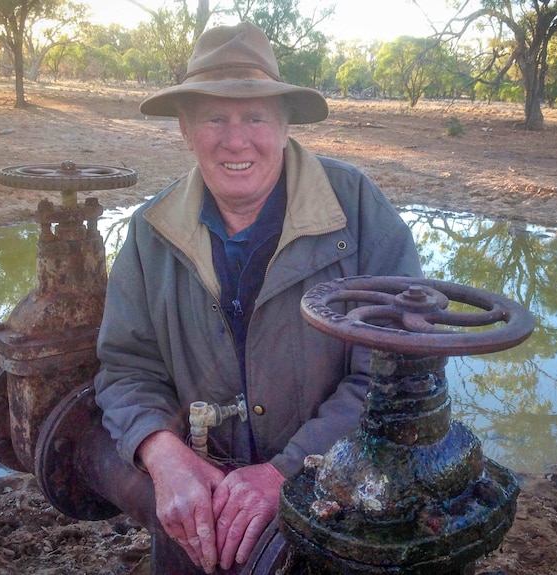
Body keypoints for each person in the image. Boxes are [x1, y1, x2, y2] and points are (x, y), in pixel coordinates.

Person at [94, 21, 423, 574]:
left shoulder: (360, 210)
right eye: (214, 117)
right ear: (185, 128)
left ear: (286, 122)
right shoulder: (151, 231)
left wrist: (286, 472)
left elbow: (397, 375)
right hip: (198, 525)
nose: (236, 139)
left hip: (337, 513)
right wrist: (163, 453)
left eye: (255, 117)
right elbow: (126, 366)